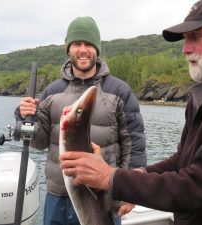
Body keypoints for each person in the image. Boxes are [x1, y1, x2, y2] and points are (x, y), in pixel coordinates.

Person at [59, 0, 202, 224]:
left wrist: (110, 177)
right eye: (185, 39)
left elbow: (201, 187)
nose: (185, 48)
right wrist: (132, 180)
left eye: (196, 36)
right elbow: (182, 161)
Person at [15, 16, 147, 225]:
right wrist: (24, 118)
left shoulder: (119, 91)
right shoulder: (52, 92)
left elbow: (135, 146)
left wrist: (128, 189)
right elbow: (40, 142)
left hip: (102, 196)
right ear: (68, 49)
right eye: (77, 44)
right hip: (58, 195)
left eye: (89, 44)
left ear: (97, 49)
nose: (83, 50)